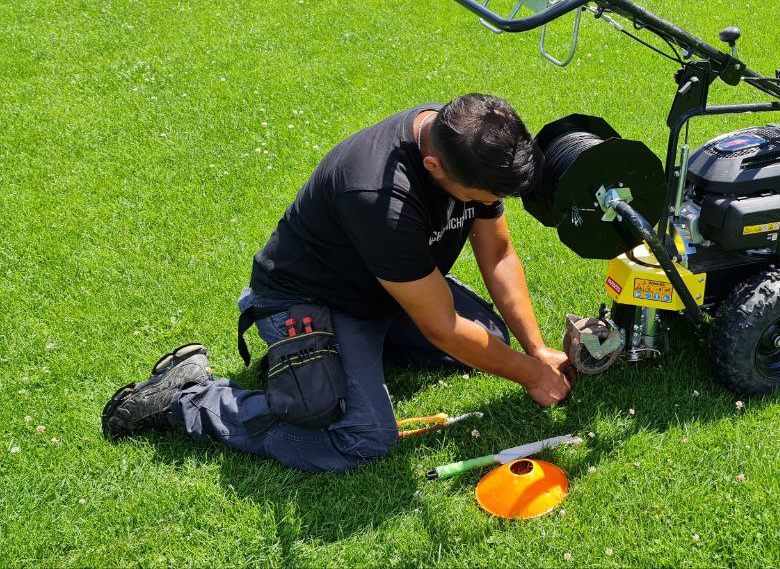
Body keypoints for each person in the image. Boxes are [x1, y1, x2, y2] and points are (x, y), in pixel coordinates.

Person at [102, 93, 573, 472]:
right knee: (364, 437)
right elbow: (442, 327)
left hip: (389, 290)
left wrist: (535, 350)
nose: (491, 203)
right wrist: (533, 376)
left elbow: (497, 252)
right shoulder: (378, 195)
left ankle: (323, 369)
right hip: (310, 299)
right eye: (484, 197)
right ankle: (188, 396)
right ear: (434, 168)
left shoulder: (467, 141)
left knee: (490, 341)